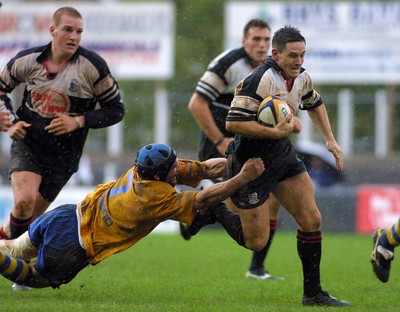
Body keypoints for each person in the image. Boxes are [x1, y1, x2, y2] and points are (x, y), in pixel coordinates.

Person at [0, 143, 265, 289]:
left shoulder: (143, 169)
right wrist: (243, 177)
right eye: (174, 168)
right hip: (74, 244)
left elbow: (206, 168)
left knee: (16, 247)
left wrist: (235, 164)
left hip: (66, 215)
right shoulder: (153, 197)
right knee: (37, 277)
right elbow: (204, 198)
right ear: (160, 176)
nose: (178, 169)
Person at [222, 25, 349, 306]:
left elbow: (314, 103)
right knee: (255, 241)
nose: (299, 61)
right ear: (276, 54)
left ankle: (313, 293)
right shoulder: (259, 79)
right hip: (251, 162)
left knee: (311, 219)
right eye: (293, 56)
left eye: (302, 55)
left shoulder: (302, 77)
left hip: (283, 156)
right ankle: (213, 211)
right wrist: (273, 132)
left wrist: (330, 139)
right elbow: (233, 122)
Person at [184, 18, 300, 280]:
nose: (260, 45)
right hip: (223, 145)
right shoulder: (228, 63)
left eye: (264, 39)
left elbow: (279, 105)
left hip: (256, 145)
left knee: (272, 201)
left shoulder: (275, 68)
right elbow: (196, 104)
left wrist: (291, 118)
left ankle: (256, 268)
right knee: (241, 206)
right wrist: (219, 139)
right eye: (255, 39)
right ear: (243, 41)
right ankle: (199, 210)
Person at [0, 6, 124, 241]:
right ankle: (15, 263)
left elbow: (116, 111)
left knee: (28, 225)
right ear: (52, 31)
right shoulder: (28, 60)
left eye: (79, 32)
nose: (74, 37)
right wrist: (11, 122)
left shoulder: (93, 67)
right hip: (29, 143)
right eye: (68, 30)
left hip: (64, 155)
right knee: (24, 203)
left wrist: (78, 121)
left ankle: (7, 245)